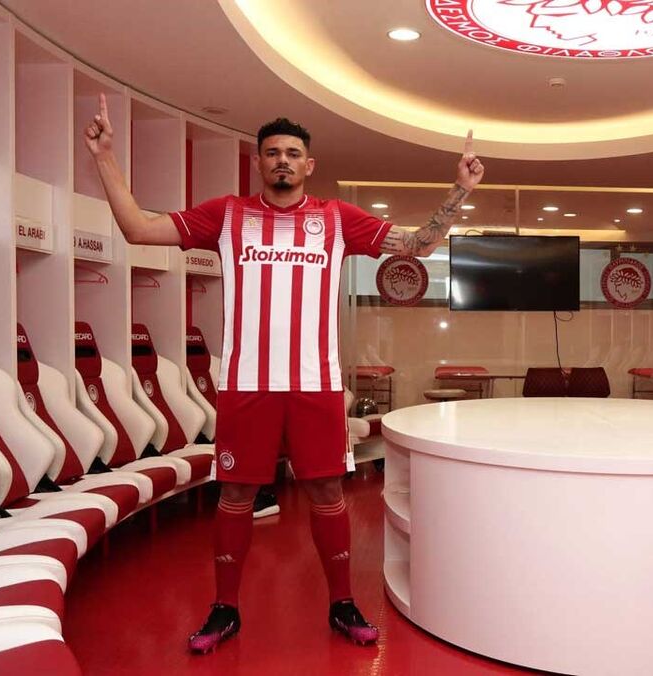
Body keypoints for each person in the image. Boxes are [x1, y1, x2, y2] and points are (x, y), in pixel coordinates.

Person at [84, 94, 484, 652]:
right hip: (247, 383)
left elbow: (418, 245)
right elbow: (138, 229)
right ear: (258, 162)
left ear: (308, 165)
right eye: (272, 153)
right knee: (236, 493)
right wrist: (105, 156)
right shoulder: (227, 214)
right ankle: (224, 609)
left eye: (293, 154)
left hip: (315, 384)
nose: (282, 161)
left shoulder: (336, 218)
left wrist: (460, 190)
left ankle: (342, 604)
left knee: (326, 490)